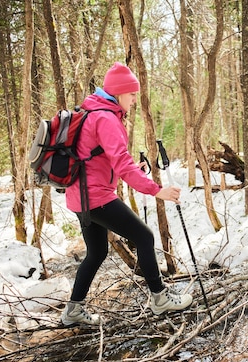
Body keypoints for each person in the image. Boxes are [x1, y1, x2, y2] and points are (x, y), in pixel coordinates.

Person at [61, 62, 193, 326]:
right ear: (119, 93)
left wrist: (136, 168)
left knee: (96, 253)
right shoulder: (106, 117)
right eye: (132, 94)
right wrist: (157, 190)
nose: (135, 99)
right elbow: (120, 162)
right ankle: (159, 298)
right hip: (96, 197)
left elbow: (102, 157)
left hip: (80, 197)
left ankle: (72, 311)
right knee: (144, 236)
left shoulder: (94, 111)